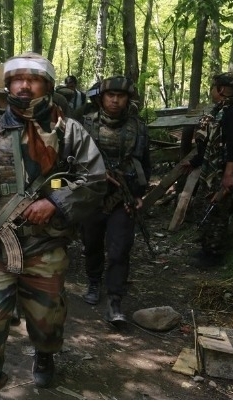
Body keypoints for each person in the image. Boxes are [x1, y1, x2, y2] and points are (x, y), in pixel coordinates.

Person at [0, 52, 106, 398]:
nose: (24, 85)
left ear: (47, 86)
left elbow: (96, 180)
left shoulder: (68, 131)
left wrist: (54, 202)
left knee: (47, 322)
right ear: (8, 85)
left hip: (45, 246)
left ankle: (45, 353)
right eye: (17, 80)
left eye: (33, 79)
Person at [79, 76, 151, 326]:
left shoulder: (138, 128)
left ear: (128, 100)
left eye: (121, 96)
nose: (115, 100)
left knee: (120, 249)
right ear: (101, 98)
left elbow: (145, 162)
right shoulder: (86, 124)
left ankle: (115, 300)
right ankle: (93, 281)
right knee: (91, 243)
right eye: (111, 95)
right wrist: (94, 173)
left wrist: (139, 194)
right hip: (91, 195)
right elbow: (70, 160)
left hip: (123, 197)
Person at [180, 72, 233, 269]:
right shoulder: (219, 111)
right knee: (203, 208)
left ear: (220, 89)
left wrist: (229, 174)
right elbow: (210, 145)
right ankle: (206, 248)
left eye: (213, 87)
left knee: (217, 212)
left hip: (222, 172)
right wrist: (195, 161)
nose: (211, 91)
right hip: (210, 171)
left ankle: (214, 255)